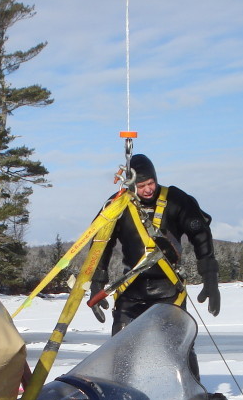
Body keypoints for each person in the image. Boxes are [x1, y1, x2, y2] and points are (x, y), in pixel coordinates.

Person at [90, 154, 220, 374]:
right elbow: (101, 243)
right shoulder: (118, 204)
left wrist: (210, 278)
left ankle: (191, 395)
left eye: (151, 183)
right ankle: (122, 396)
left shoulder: (176, 200)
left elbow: (201, 236)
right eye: (141, 186)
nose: (148, 190)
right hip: (131, 290)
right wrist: (97, 281)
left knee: (180, 349)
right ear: (131, 185)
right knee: (121, 349)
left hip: (169, 291)